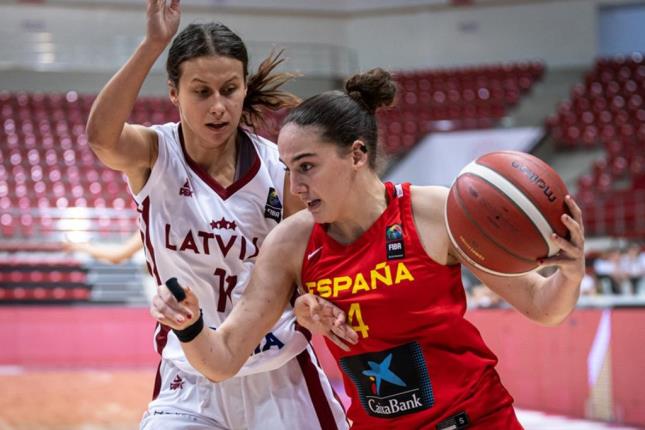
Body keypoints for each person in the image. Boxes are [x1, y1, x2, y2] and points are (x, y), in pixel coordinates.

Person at [151, 68, 585, 429]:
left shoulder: (434, 212)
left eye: (307, 166)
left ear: (357, 155)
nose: (294, 186)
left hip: (475, 419)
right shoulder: (290, 243)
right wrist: (189, 324)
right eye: (287, 169)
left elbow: (541, 304)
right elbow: (223, 359)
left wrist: (569, 271)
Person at [85, 0, 348, 429]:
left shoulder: (279, 168)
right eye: (201, 91)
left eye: (229, 89)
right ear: (174, 92)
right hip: (190, 378)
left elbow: (305, 272)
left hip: (279, 375)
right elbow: (101, 138)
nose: (218, 106)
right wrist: (153, 44)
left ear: (244, 88)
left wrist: (310, 303)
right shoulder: (155, 153)